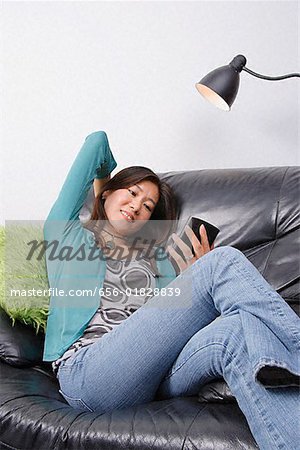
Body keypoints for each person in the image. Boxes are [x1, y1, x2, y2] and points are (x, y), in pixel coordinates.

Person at [43, 131, 299, 450]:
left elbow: (171, 332)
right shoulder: (66, 236)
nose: (137, 206)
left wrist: (194, 276)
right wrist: (103, 191)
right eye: (131, 193)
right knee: (224, 261)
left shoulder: (157, 262)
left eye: (148, 205)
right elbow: (96, 142)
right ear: (105, 194)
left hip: (155, 377)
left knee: (235, 332)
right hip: (88, 373)